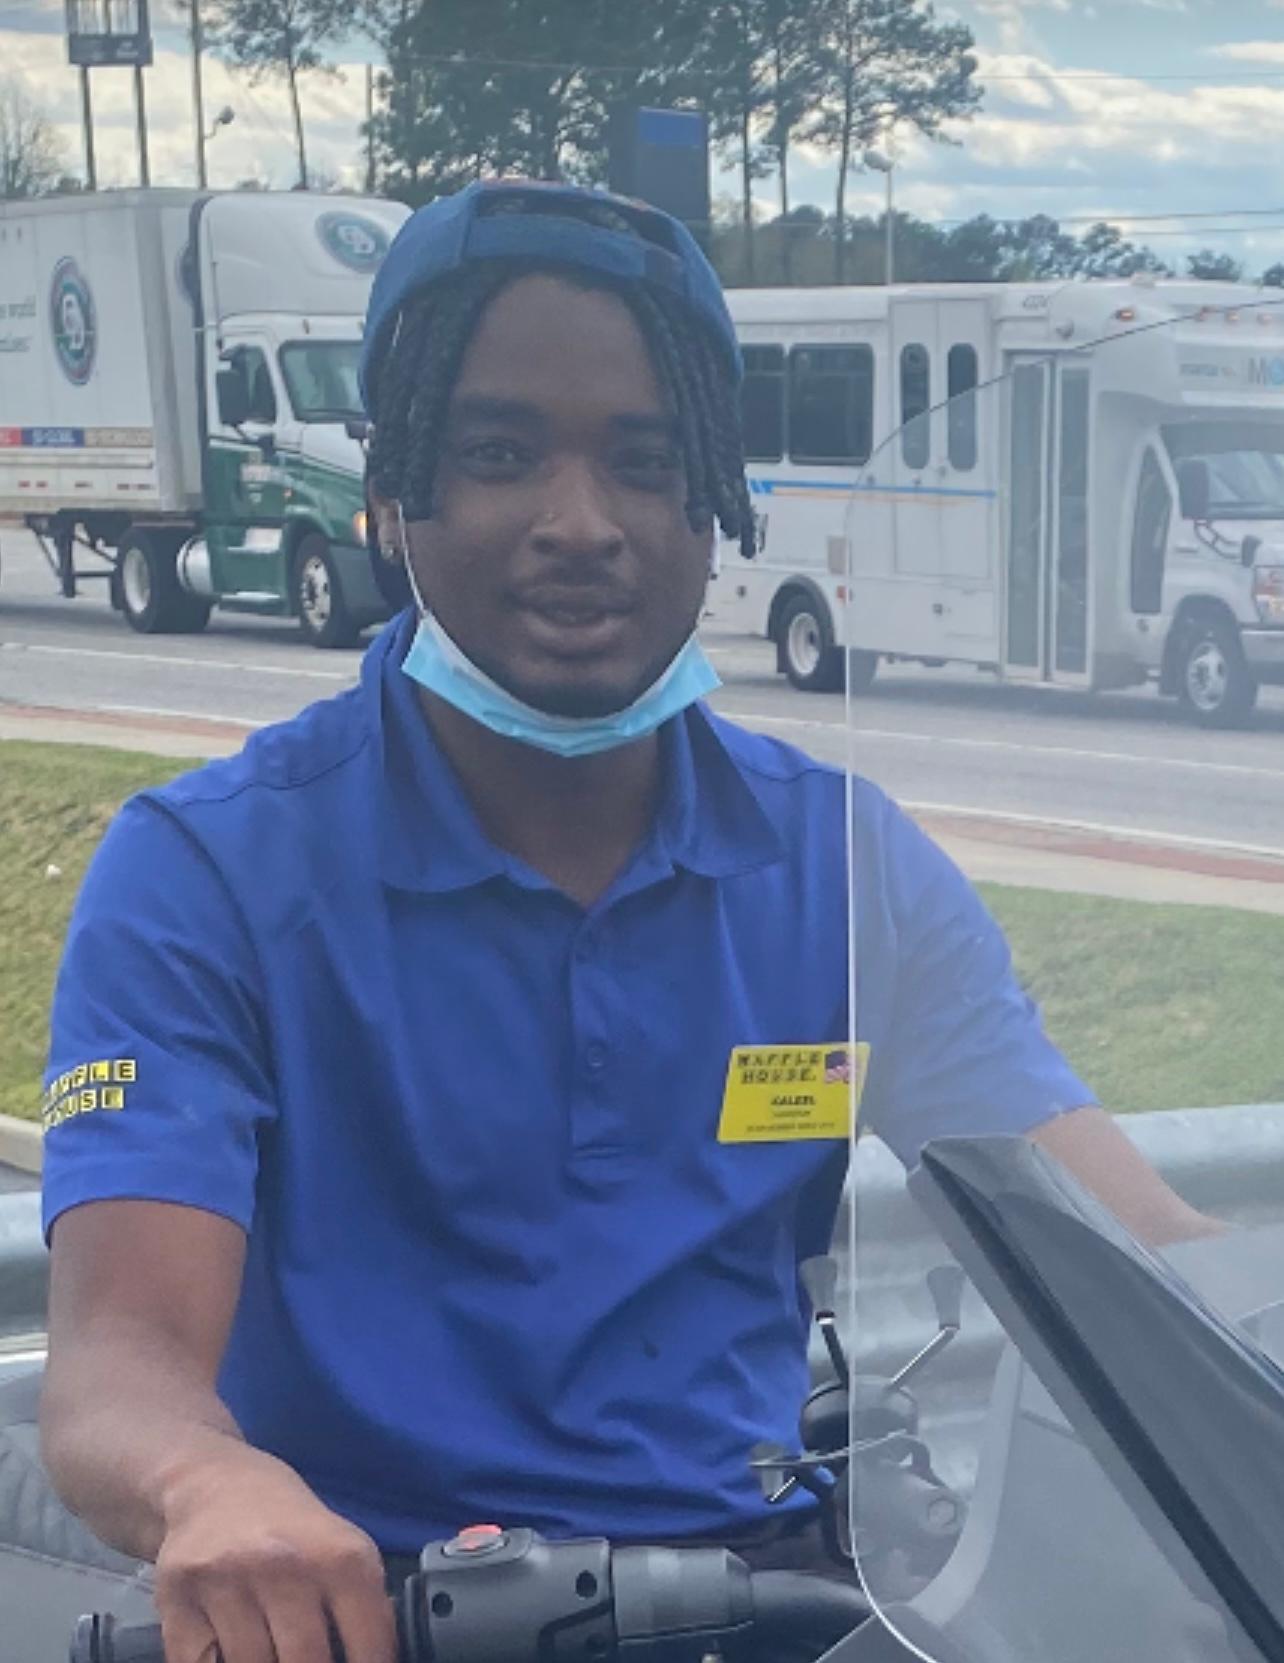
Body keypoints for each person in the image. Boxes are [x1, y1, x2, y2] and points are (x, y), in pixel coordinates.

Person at [37, 180, 1214, 1663]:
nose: (581, 523)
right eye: (499, 453)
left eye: (646, 463)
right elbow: (117, 1363)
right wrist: (210, 1487)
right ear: (394, 489)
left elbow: (1131, 1250)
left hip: (763, 1599)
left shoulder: (844, 864)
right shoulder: (203, 872)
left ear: (711, 500)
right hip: (358, 1608)